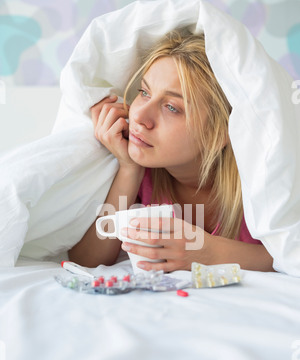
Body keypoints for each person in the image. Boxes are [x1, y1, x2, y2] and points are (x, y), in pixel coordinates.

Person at [68, 29, 274, 273]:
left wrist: (210, 252)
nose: (139, 116)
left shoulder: (258, 182)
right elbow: (86, 261)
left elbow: (288, 255)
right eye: (144, 92)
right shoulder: (147, 176)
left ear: (219, 134)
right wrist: (129, 168)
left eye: (171, 108)